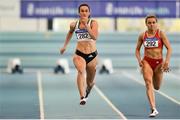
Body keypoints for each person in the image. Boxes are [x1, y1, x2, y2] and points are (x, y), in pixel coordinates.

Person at [60, 3, 98, 105]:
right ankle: (82, 97)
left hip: (92, 55)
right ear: (79, 12)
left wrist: (86, 25)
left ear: (89, 12)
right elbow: (70, 32)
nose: (84, 12)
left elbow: (94, 36)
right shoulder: (74, 24)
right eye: (82, 11)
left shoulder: (93, 23)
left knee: (90, 82)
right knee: (81, 71)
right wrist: (65, 46)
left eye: (86, 11)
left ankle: (89, 88)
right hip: (79, 54)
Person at [135, 14, 172, 117]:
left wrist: (167, 62)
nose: (151, 24)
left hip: (159, 63)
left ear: (156, 23)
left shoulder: (161, 34)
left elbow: (169, 48)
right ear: (146, 24)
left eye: (153, 22)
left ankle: (153, 106)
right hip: (147, 61)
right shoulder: (143, 35)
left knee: (157, 86)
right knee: (148, 82)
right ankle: (153, 108)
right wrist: (139, 60)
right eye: (149, 23)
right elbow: (137, 50)